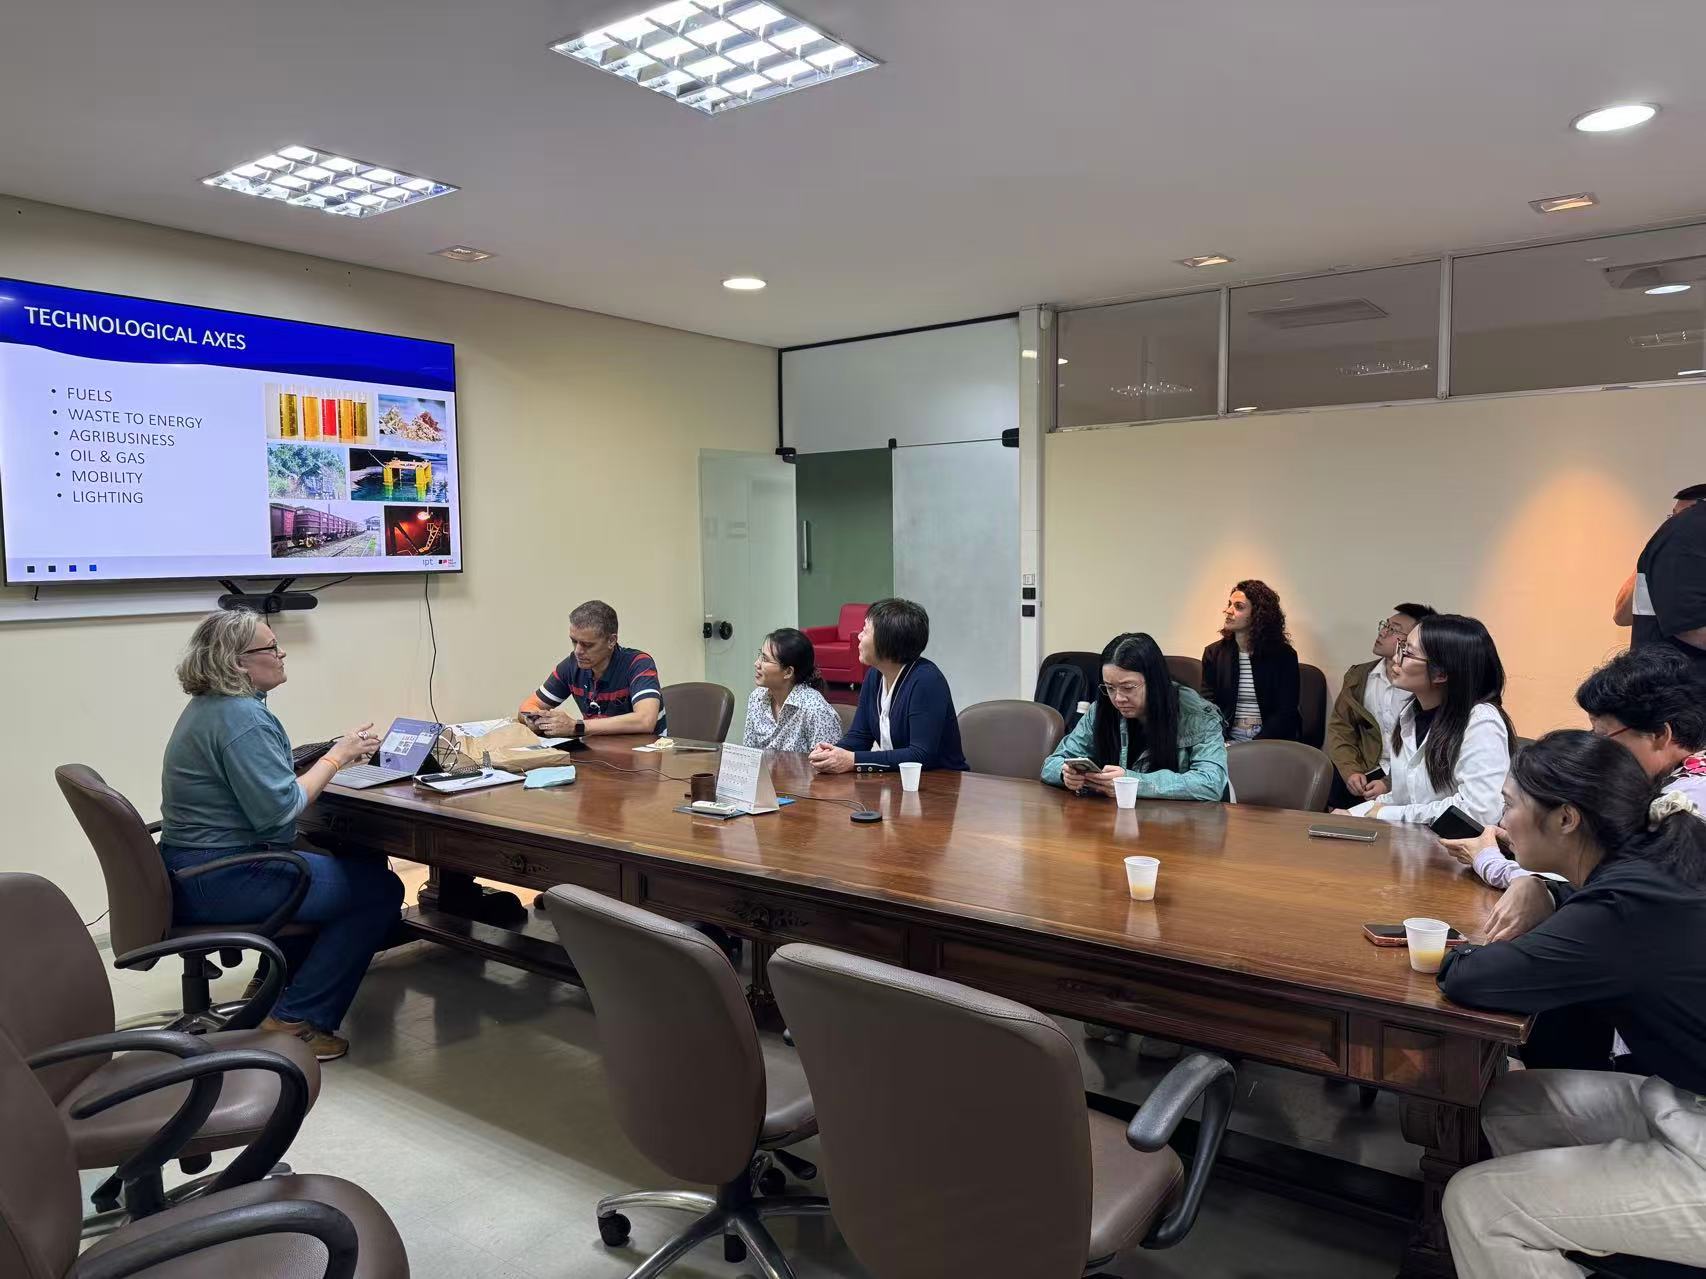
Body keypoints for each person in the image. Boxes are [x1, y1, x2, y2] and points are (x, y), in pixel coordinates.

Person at [1437, 731, 1706, 1278]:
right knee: (1507, 1104)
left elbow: (1470, 979)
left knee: (1480, 1206)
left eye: (1510, 805)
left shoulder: (1625, 907)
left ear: (1565, 818)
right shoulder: (1650, 864)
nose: (1500, 822)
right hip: (1683, 1100)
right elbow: (1599, 918)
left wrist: (1458, 948)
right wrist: (1549, 891)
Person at [159, 610, 403, 1061]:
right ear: (237, 662)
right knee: (379, 890)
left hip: (189, 868)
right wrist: (336, 757)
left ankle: (272, 987)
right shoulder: (242, 717)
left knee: (341, 865)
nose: (282, 652)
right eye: (270, 647)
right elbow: (278, 818)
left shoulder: (211, 707)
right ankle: (297, 1021)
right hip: (221, 878)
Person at [1449, 645, 1706, 890]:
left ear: (1659, 734)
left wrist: (1489, 861)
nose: (1594, 746)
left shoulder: (1688, 802)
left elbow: (1610, 886)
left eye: (1602, 734)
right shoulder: (1666, 780)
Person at [1339, 613, 1514, 826]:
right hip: (1411, 842)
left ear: (1441, 674)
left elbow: (1479, 812)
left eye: (1407, 653)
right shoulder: (1411, 714)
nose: (1396, 658)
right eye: (1401, 647)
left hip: (1453, 846)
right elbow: (1403, 798)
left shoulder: (1480, 722)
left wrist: (1385, 813)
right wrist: (1352, 814)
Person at [1041, 632, 1228, 800]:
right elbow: (1051, 764)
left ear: (1154, 682)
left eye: (1128, 687)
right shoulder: (1100, 710)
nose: (1118, 698)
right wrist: (1066, 774)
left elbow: (1211, 782)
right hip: (1113, 819)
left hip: (1181, 822)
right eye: (1110, 687)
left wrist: (1133, 782)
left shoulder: (1198, 715)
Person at [808, 598, 968, 773]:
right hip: (897, 781)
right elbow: (860, 736)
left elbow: (921, 754)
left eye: (865, 631)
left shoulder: (927, 680)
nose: (859, 636)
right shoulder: (874, 675)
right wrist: (832, 753)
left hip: (942, 782)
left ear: (886, 641)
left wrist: (853, 760)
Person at [1324, 603, 1436, 806]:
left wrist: (1389, 783)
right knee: (1334, 787)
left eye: (1394, 630)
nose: (1383, 632)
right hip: (1366, 768)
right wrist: (1351, 770)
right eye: (1385, 625)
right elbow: (1340, 728)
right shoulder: (1359, 676)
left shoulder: (1424, 686)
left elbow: (1426, 747)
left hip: (1406, 776)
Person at [520, 599, 665, 738]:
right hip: (599, 750)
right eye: (574, 641)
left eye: (587, 645)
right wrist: (536, 720)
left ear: (611, 641)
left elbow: (645, 720)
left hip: (646, 751)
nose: (578, 651)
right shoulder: (571, 666)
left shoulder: (638, 664)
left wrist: (577, 726)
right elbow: (528, 705)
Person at [1616, 483, 1706, 675]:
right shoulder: (1667, 554)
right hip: (1664, 680)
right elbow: (1621, 616)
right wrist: (1650, 559)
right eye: (1672, 517)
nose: (1672, 524)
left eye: (1679, 517)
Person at [1200, 580, 1301, 742]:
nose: (1228, 611)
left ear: (1258, 615)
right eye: (1229, 604)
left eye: (1238, 607)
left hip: (1269, 742)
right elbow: (1208, 707)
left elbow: (1285, 713)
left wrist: (1256, 746)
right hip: (1225, 741)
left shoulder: (1284, 656)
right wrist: (1221, 742)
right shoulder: (1214, 653)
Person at [743, 627, 844, 753]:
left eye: (765, 659)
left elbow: (828, 762)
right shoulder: (757, 697)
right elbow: (748, 753)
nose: (756, 664)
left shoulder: (815, 709)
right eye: (760, 656)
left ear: (788, 672)